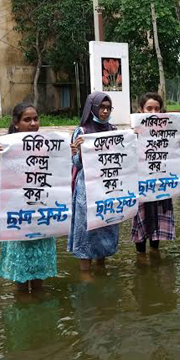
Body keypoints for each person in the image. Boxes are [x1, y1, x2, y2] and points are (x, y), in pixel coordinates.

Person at [0, 103, 57, 293]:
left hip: (41, 215)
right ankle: (23, 313)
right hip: (19, 218)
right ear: (16, 123)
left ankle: (36, 312)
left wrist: (67, 153)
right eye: (27, 119)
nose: (33, 123)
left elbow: (57, 177)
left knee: (40, 277)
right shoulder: (7, 147)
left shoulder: (48, 145)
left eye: (36, 119)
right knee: (20, 278)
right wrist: (1, 160)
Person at [69, 92, 120, 276]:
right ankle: (85, 272)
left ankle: (101, 266)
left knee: (105, 226)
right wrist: (81, 151)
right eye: (101, 107)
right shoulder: (81, 131)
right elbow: (76, 163)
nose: (105, 111)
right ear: (93, 108)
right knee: (87, 228)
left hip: (107, 187)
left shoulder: (113, 130)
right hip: (87, 190)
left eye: (108, 107)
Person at [131, 93, 180, 255]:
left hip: (161, 186)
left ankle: (154, 255)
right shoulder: (132, 133)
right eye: (149, 108)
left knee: (158, 226)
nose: (153, 112)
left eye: (157, 108)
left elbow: (172, 159)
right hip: (141, 186)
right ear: (141, 110)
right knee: (140, 222)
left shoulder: (169, 132)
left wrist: (177, 144)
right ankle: (141, 258)